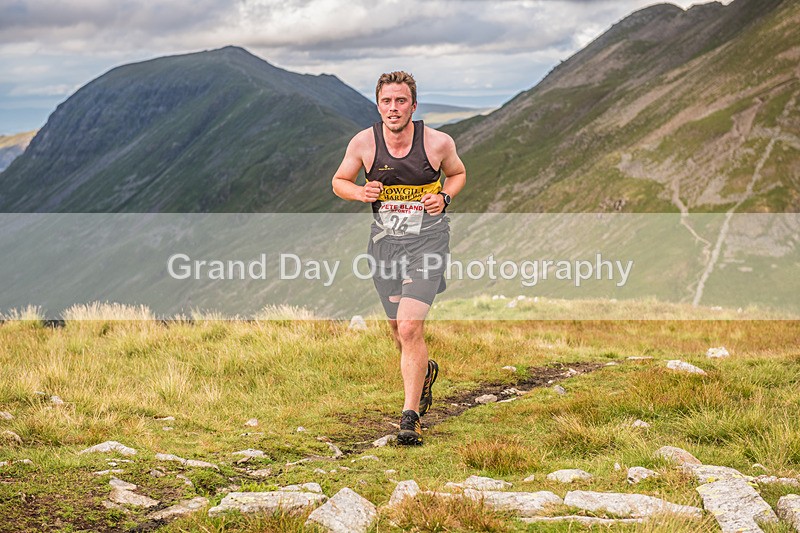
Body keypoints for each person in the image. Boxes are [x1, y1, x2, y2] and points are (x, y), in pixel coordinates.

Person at [332, 71, 466, 445]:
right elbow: (338, 181)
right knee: (397, 329)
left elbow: (457, 174)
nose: (394, 108)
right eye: (387, 101)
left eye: (401, 101)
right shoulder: (364, 143)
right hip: (385, 246)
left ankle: (410, 418)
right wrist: (360, 193)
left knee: (409, 327)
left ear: (413, 105)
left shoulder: (437, 143)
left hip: (428, 243)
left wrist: (445, 198)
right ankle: (423, 373)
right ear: (378, 105)